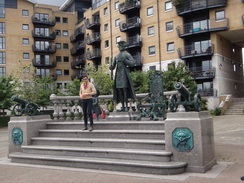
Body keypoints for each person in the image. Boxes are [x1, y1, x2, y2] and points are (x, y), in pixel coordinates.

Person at [109, 41, 136, 112]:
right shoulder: (116, 56)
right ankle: (123, 106)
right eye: (119, 46)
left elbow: (132, 63)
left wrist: (125, 61)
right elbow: (113, 66)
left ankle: (126, 106)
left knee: (124, 89)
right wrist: (111, 67)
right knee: (119, 90)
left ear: (123, 47)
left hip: (124, 73)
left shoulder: (127, 54)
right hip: (118, 74)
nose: (119, 48)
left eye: (121, 46)